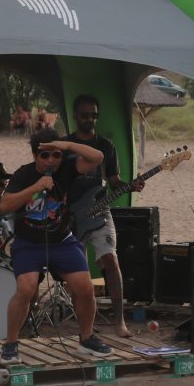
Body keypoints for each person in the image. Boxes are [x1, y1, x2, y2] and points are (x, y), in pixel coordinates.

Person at [0, 128, 111, 364]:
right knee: (26, 289)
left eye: (56, 155)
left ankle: (86, 338)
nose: (51, 160)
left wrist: (67, 145)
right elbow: (4, 206)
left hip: (62, 240)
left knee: (85, 287)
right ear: (35, 156)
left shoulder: (68, 167)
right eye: (45, 155)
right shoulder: (24, 174)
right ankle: (10, 343)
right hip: (29, 242)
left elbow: (98, 157)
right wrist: (35, 187)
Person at [63, 93, 145, 338]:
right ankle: (84, 323)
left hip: (100, 210)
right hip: (72, 216)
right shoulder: (66, 145)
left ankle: (119, 322)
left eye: (94, 115)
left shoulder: (106, 146)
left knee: (111, 260)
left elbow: (113, 181)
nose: (90, 119)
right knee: (77, 269)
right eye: (85, 115)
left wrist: (130, 186)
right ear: (75, 115)